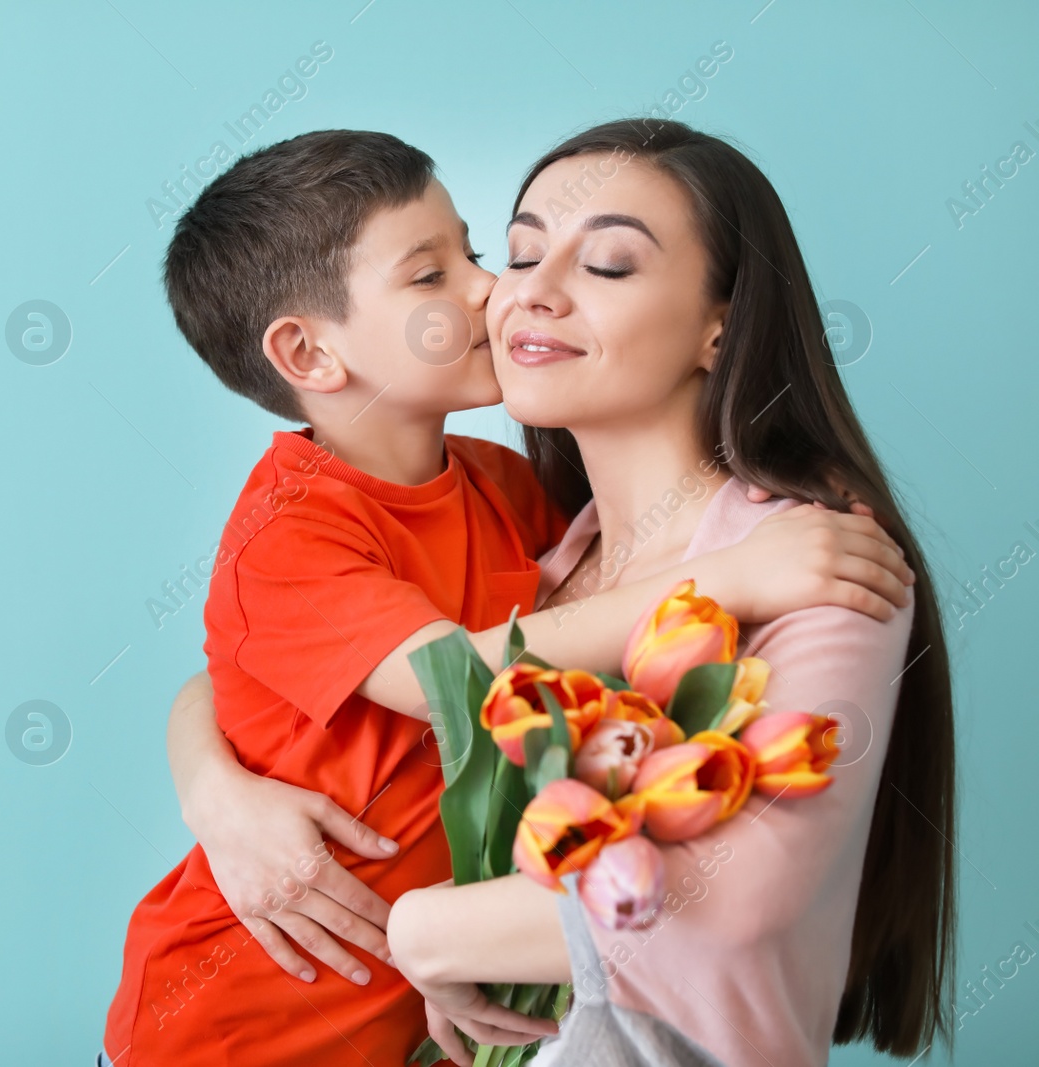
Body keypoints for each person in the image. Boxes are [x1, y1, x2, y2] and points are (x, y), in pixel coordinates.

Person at [103, 128, 914, 1067]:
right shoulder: (336, 533)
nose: (503, 289)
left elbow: (730, 898)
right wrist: (215, 789)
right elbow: (425, 671)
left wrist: (432, 929)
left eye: (606, 262)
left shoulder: (522, 500)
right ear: (310, 355)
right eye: (503, 255)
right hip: (221, 1031)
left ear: (720, 325)